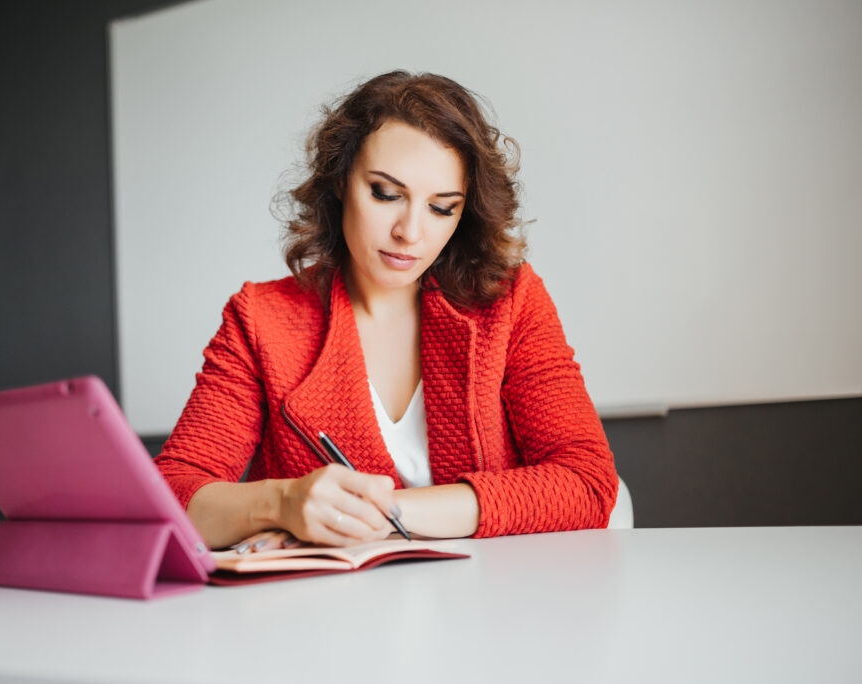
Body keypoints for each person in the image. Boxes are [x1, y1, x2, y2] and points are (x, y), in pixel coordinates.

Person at [155, 70, 617, 552]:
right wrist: (283, 502)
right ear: (339, 181)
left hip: (490, 608)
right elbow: (172, 492)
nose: (410, 233)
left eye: (442, 208)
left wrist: (387, 513)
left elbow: (587, 483)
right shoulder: (260, 318)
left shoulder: (510, 301)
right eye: (385, 194)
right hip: (324, 619)